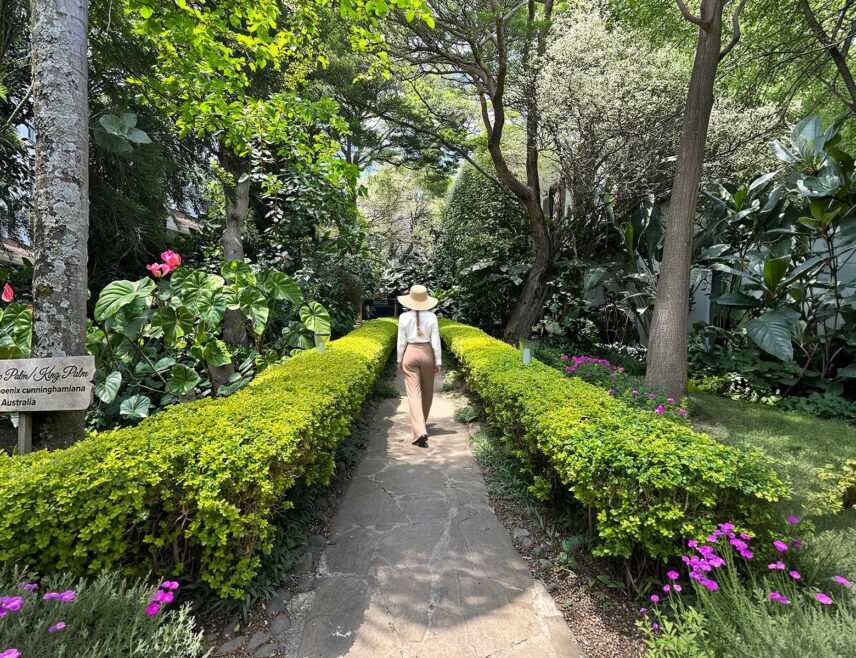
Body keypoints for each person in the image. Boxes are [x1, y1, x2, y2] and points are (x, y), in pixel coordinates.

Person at [396, 285, 441, 448]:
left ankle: (419, 430)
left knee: (413, 394)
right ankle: (422, 426)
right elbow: (435, 340)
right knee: (427, 392)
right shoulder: (432, 317)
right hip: (427, 353)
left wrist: (399, 359)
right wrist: (438, 361)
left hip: (410, 353)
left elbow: (401, 341)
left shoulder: (403, 317)